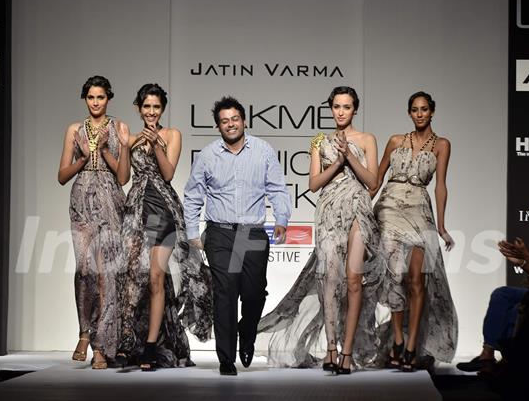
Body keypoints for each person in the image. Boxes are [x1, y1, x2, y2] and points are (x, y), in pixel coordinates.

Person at [257, 86, 385, 374]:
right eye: (337, 106)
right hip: (328, 211)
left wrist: (349, 157)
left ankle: (347, 353)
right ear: (331, 109)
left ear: (355, 109)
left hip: (358, 211)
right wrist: (338, 161)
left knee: (354, 281)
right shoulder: (318, 140)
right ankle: (330, 349)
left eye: (347, 106)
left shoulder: (367, 140)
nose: (341, 111)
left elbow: (373, 181)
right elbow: (313, 184)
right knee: (329, 280)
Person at [183, 96, 292, 376]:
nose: (230, 124)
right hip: (221, 234)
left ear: (244, 120)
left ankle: (247, 332)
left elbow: (277, 188)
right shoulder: (208, 155)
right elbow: (193, 194)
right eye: (224, 121)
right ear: (218, 126)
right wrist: (193, 231)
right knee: (225, 293)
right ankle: (226, 358)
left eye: (234, 119)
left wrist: (281, 218)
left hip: (252, 234)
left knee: (254, 294)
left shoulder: (263, 150)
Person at [115, 84, 212, 370]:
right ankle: (127, 341)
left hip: (162, 212)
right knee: (132, 278)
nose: (151, 112)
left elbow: (168, 173)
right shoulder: (130, 139)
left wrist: (156, 143)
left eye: (156, 107)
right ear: (139, 108)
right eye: (146, 107)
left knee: (156, 277)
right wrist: (124, 145)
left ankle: (150, 348)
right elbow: (122, 179)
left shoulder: (172, 134)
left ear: (162, 109)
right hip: (135, 211)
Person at [373, 91, 457, 371]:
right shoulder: (396, 140)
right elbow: (377, 178)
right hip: (390, 208)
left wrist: (441, 225)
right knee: (395, 276)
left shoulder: (442, 145)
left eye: (424, 109)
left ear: (432, 111)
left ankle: (411, 347)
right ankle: (398, 340)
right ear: (409, 113)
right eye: (414, 110)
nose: (419, 114)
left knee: (417, 279)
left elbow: (441, 185)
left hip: (420, 210)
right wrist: (360, 206)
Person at [456, 184, 529, 373]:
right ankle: (487, 355)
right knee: (502, 294)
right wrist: (520, 262)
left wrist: (526, 255)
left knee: (518, 310)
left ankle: (510, 363)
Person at [57, 75, 128, 369]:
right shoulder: (74, 129)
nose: (96, 102)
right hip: (81, 201)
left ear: (108, 98)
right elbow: (62, 175)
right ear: (85, 99)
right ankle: (83, 332)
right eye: (90, 98)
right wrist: (84, 158)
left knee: (105, 275)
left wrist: (106, 152)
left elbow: (124, 177)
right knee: (84, 271)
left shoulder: (119, 127)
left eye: (100, 97)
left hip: (111, 199)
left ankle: (101, 344)